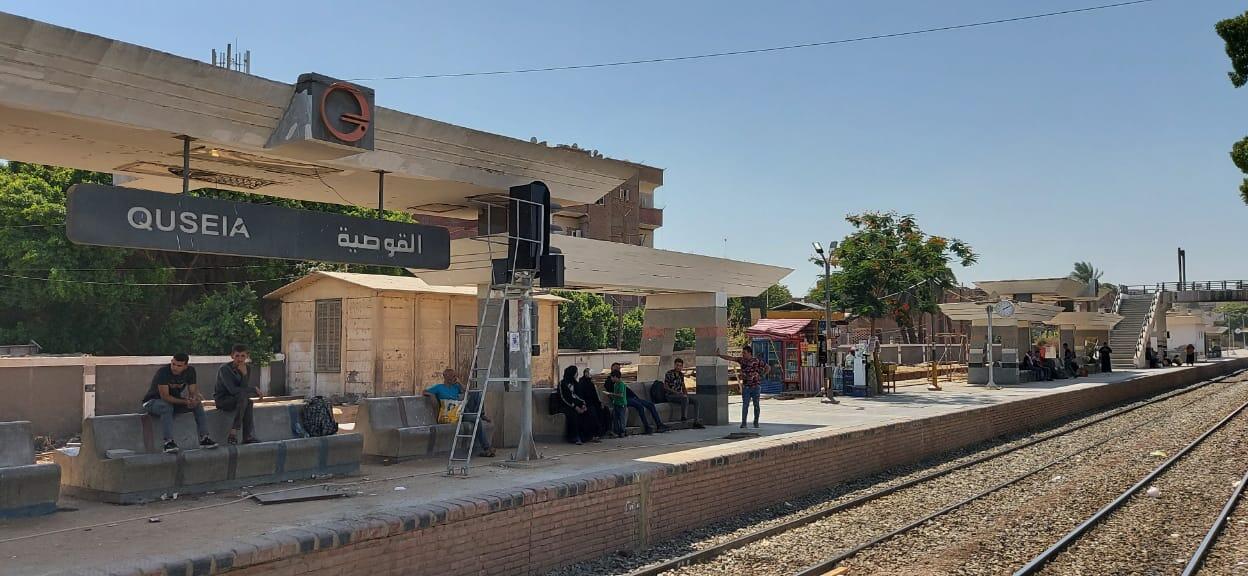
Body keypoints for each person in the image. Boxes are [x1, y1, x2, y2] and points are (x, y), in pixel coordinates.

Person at [142, 353, 217, 453]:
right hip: (152, 402)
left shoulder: (190, 371)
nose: (174, 368)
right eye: (173, 364)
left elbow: (192, 390)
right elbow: (165, 397)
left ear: (185, 366)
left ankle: (204, 438)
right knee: (166, 407)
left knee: (197, 405)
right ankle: (168, 442)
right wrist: (185, 401)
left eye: (179, 366)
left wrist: (193, 399)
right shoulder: (163, 372)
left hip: (173, 403)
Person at [425, 368, 495, 457]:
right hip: (454, 415)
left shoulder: (456, 387)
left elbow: (468, 392)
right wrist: (432, 396)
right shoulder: (439, 387)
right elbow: (425, 391)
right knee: (476, 420)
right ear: (445, 377)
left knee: (476, 392)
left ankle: (481, 414)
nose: (454, 378)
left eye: (455, 376)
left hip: (462, 409)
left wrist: (459, 383)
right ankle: (486, 447)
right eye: (452, 376)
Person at [214, 344, 262, 445]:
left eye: (243, 356)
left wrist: (244, 375)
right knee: (244, 398)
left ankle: (247, 437)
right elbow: (232, 390)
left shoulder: (246, 368)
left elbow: (243, 388)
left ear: (247, 356)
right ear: (232, 356)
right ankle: (233, 432)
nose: (240, 359)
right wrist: (253, 389)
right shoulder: (225, 369)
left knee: (248, 402)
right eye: (237, 356)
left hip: (239, 399)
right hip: (223, 400)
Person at [610, 363, 668, 434]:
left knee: (650, 404)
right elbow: (613, 393)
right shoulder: (611, 381)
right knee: (640, 407)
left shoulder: (620, 382)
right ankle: (647, 427)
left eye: (619, 368)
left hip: (633, 397)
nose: (618, 370)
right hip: (625, 399)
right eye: (616, 368)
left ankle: (659, 424)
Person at [718, 347, 769, 429]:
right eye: (743, 353)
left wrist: (762, 375)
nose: (743, 354)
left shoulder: (756, 361)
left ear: (749, 353)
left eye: (744, 353)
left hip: (756, 386)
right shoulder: (742, 360)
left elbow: (768, 367)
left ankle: (756, 422)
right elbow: (731, 358)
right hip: (746, 387)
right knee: (745, 405)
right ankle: (744, 423)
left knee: (756, 405)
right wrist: (720, 355)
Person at [557, 366, 599, 445]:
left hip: (576, 405)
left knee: (588, 412)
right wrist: (575, 407)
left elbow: (578, 396)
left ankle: (587, 436)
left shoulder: (575, 383)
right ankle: (574, 437)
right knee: (573, 415)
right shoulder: (562, 383)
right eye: (576, 373)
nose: (577, 375)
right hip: (565, 406)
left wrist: (583, 404)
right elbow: (564, 398)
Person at [661, 358, 704, 428]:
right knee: (684, 398)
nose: (678, 367)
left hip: (680, 396)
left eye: (680, 366)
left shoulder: (681, 375)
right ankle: (684, 417)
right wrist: (676, 393)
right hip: (670, 396)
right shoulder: (669, 373)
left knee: (696, 401)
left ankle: (696, 421)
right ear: (674, 365)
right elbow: (666, 387)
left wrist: (686, 394)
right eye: (677, 365)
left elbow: (683, 386)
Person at [575, 367, 611, 438]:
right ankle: (595, 434)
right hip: (586, 403)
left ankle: (605, 431)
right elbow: (582, 396)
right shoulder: (582, 383)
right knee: (593, 413)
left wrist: (599, 403)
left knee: (605, 410)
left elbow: (594, 395)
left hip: (593, 403)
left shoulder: (590, 383)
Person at [604, 367, 628, 438]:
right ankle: (616, 431)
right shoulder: (615, 385)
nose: (611, 379)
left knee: (621, 418)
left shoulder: (621, 384)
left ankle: (622, 431)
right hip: (616, 403)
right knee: (615, 417)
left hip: (621, 404)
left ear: (615, 377)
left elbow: (621, 395)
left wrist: (611, 394)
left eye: (612, 377)